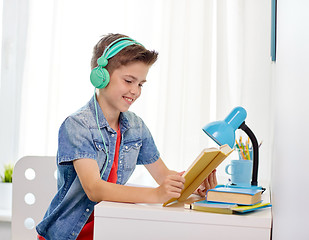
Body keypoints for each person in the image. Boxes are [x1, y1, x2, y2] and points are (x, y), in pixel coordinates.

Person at [36, 33, 217, 240]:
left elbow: (163, 176)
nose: (135, 91)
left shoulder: (136, 127)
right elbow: (94, 189)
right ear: (100, 76)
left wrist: (192, 185)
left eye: (140, 84)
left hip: (108, 230)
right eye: (129, 81)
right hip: (67, 235)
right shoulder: (77, 125)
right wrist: (156, 194)